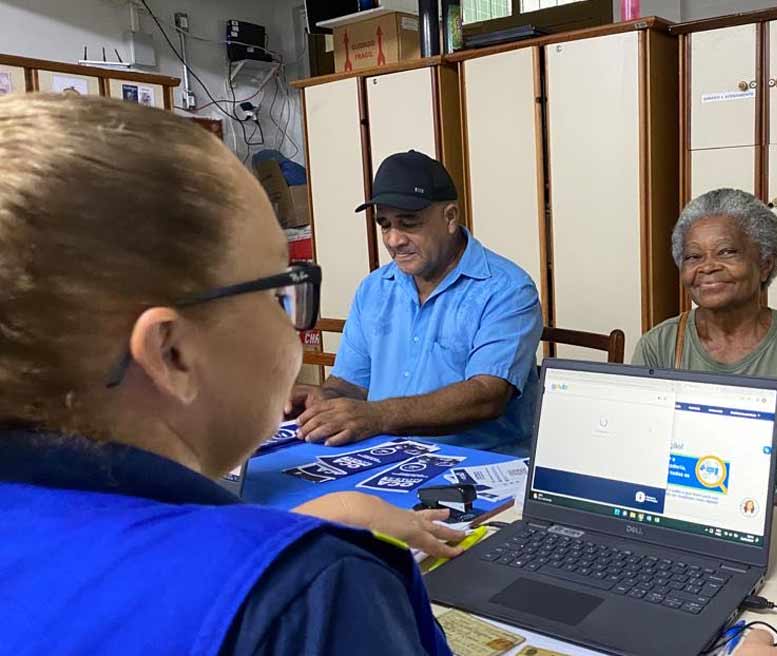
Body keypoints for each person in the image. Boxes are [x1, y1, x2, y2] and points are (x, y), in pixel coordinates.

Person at [0, 94, 457, 654]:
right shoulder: (311, 595)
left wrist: (309, 521)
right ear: (171, 354)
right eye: (279, 290)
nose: (293, 318)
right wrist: (303, 554)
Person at [290, 150, 542, 455]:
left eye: (408, 223)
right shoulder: (374, 289)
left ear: (449, 217)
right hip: (382, 456)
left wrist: (377, 416)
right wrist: (323, 401)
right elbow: (350, 384)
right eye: (384, 224)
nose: (394, 240)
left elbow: (487, 396)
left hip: (478, 466)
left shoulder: (507, 289)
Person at [634, 189, 777, 511]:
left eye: (726, 252)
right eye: (693, 256)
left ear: (765, 264)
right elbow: (640, 456)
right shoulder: (658, 345)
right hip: (681, 515)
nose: (707, 267)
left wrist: (745, 529)